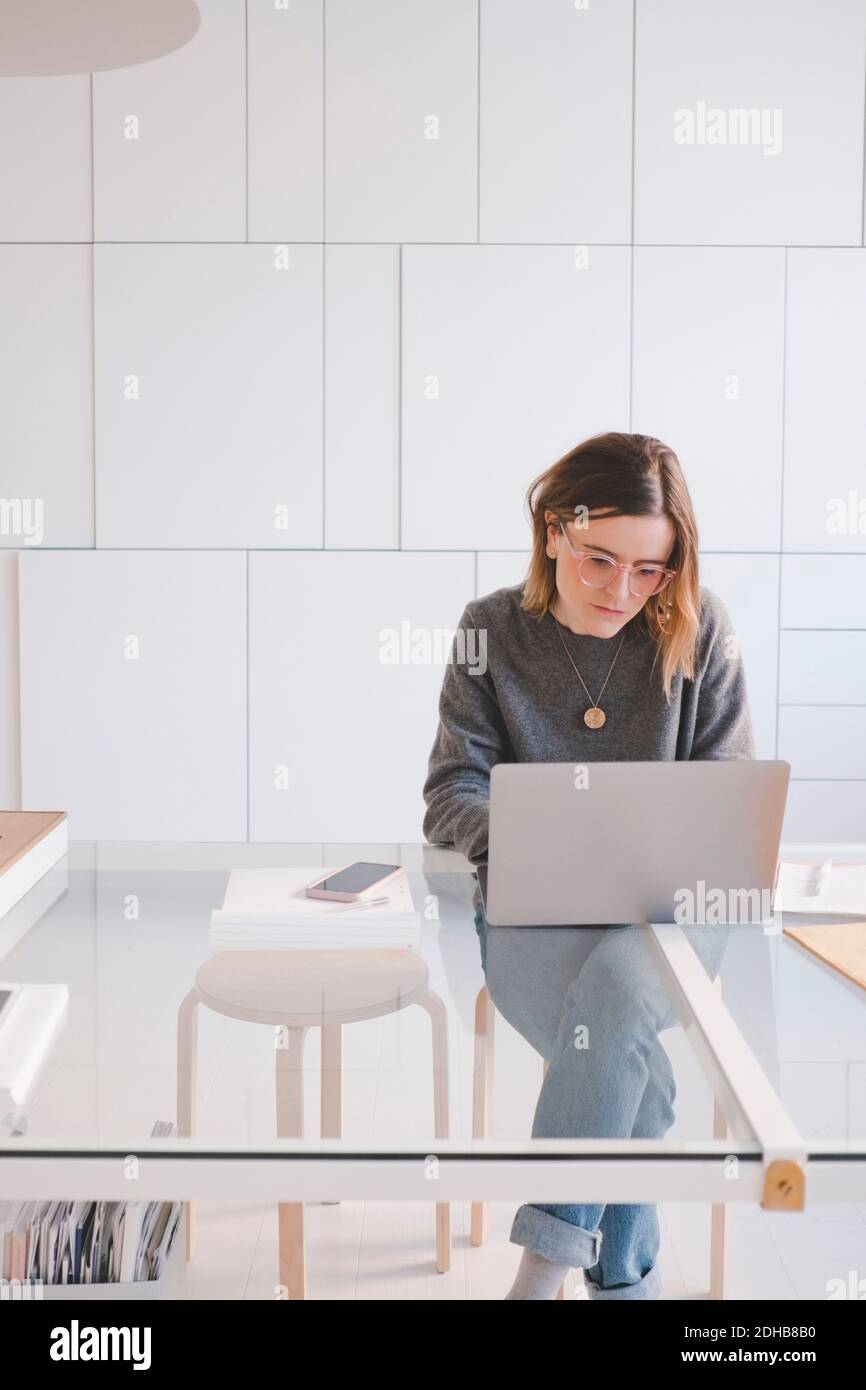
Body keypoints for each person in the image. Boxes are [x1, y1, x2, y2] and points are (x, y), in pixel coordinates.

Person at [421, 431, 755, 1300]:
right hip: (536, 903)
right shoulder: (488, 630)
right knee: (631, 1077)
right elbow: (451, 788)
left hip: (675, 909)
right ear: (551, 533)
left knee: (616, 1002)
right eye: (599, 559)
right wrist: (533, 837)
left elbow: (726, 796)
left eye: (651, 570)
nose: (622, 591)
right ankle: (623, 1287)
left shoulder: (700, 627)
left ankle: (540, 1272)